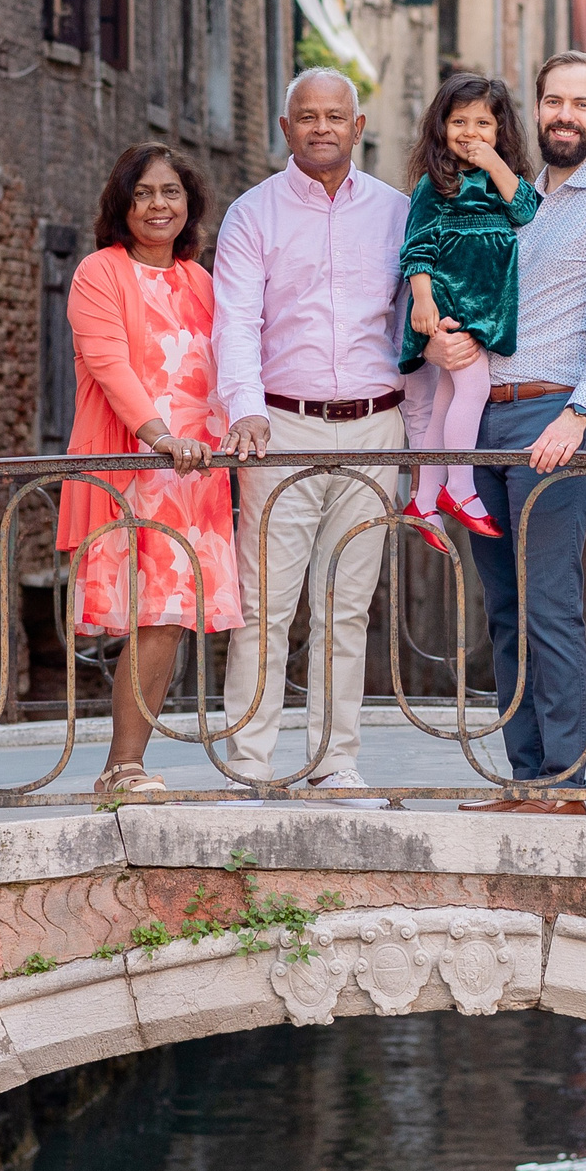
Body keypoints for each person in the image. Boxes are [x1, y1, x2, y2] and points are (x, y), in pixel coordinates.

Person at [427, 51, 586, 817]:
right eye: (553, 100)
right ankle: (523, 776)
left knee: (549, 599)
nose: (565, 114)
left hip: (555, 417)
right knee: (501, 606)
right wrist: (437, 341)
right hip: (479, 412)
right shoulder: (496, 197)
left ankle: (565, 783)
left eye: (580, 104)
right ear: (537, 108)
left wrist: (578, 415)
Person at [211, 68, 419, 798]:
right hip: (280, 425)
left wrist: (417, 430)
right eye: (308, 116)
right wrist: (244, 408)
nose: (322, 127)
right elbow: (233, 320)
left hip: (373, 425)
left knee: (347, 603)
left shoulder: (400, 213)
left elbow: (412, 322)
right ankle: (249, 764)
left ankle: (334, 761)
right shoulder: (251, 215)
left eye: (336, 116)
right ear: (285, 127)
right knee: (264, 601)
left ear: (358, 127)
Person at [57, 144, 241, 798]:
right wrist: (161, 439)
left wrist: (240, 425)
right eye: (143, 193)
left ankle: (125, 765)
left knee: (172, 617)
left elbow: (231, 363)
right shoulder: (99, 274)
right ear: (121, 203)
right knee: (153, 616)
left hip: (199, 476)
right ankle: (123, 767)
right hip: (136, 468)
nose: (158, 204)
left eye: (170, 192)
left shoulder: (201, 280)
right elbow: (109, 366)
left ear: (189, 205)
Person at [397, 73, 541, 545]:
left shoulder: (500, 183)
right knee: (474, 389)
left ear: (501, 132)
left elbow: (525, 209)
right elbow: (417, 247)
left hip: (486, 304)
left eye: (484, 123)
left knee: (445, 399)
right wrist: (422, 301)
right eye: (459, 121)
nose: (471, 132)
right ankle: (459, 488)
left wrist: (496, 162)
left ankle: (424, 499)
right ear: (441, 127)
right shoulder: (435, 184)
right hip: (451, 304)